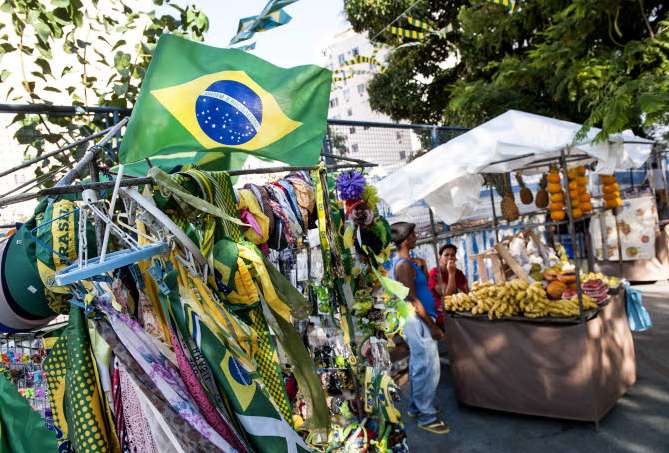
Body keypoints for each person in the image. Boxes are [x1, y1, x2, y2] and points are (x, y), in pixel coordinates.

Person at [391, 221, 450, 434]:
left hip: (417, 320)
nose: (417, 237)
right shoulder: (403, 265)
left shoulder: (407, 263)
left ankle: (418, 407)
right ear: (407, 239)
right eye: (414, 235)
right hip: (418, 321)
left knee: (420, 365)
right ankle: (427, 416)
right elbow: (412, 299)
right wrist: (432, 326)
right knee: (429, 368)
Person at [428, 244, 469, 325]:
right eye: (446, 255)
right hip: (441, 312)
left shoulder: (459, 273)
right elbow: (447, 296)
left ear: (455, 258)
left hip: (457, 309)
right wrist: (451, 273)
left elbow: (466, 292)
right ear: (440, 257)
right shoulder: (435, 273)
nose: (450, 257)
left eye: (452, 255)